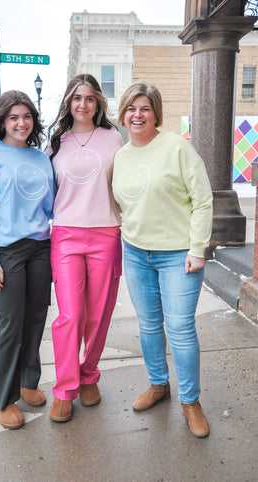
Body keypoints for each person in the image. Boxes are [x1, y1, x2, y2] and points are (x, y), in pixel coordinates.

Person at [112, 82, 213, 438]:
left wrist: (198, 248)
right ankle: (159, 384)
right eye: (131, 108)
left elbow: (202, 200)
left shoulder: (176, 148)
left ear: (156, 113)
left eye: (145, 108)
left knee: (181, 330)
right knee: (148, 325)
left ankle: (190, 400)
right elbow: (122, 202)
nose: (137, 115)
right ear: (123, 114)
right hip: (136, 253)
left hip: (177, 255)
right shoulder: (121, 155)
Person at [0, 90, 55, 430]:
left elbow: (49, 205)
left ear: (33, 120)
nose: (21, 123)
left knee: (35, 318)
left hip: (41, 247)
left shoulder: (41, 157)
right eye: (13, 117)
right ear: (2, 121)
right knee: (9, 324)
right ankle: (3, 399)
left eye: (26, 116)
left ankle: (27, 381)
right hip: (8, 252)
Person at [47, 73, 123, 422]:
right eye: (76, 98)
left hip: (106, 233)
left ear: (98, 103)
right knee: (70, 316)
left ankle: (88, 374)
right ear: (68, 103)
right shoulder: (56, 143)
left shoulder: (113, 138)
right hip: (66, 235)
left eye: (89, 98)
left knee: (98, 314)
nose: (82, 104)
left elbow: (127, 183)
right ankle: (65, 387)